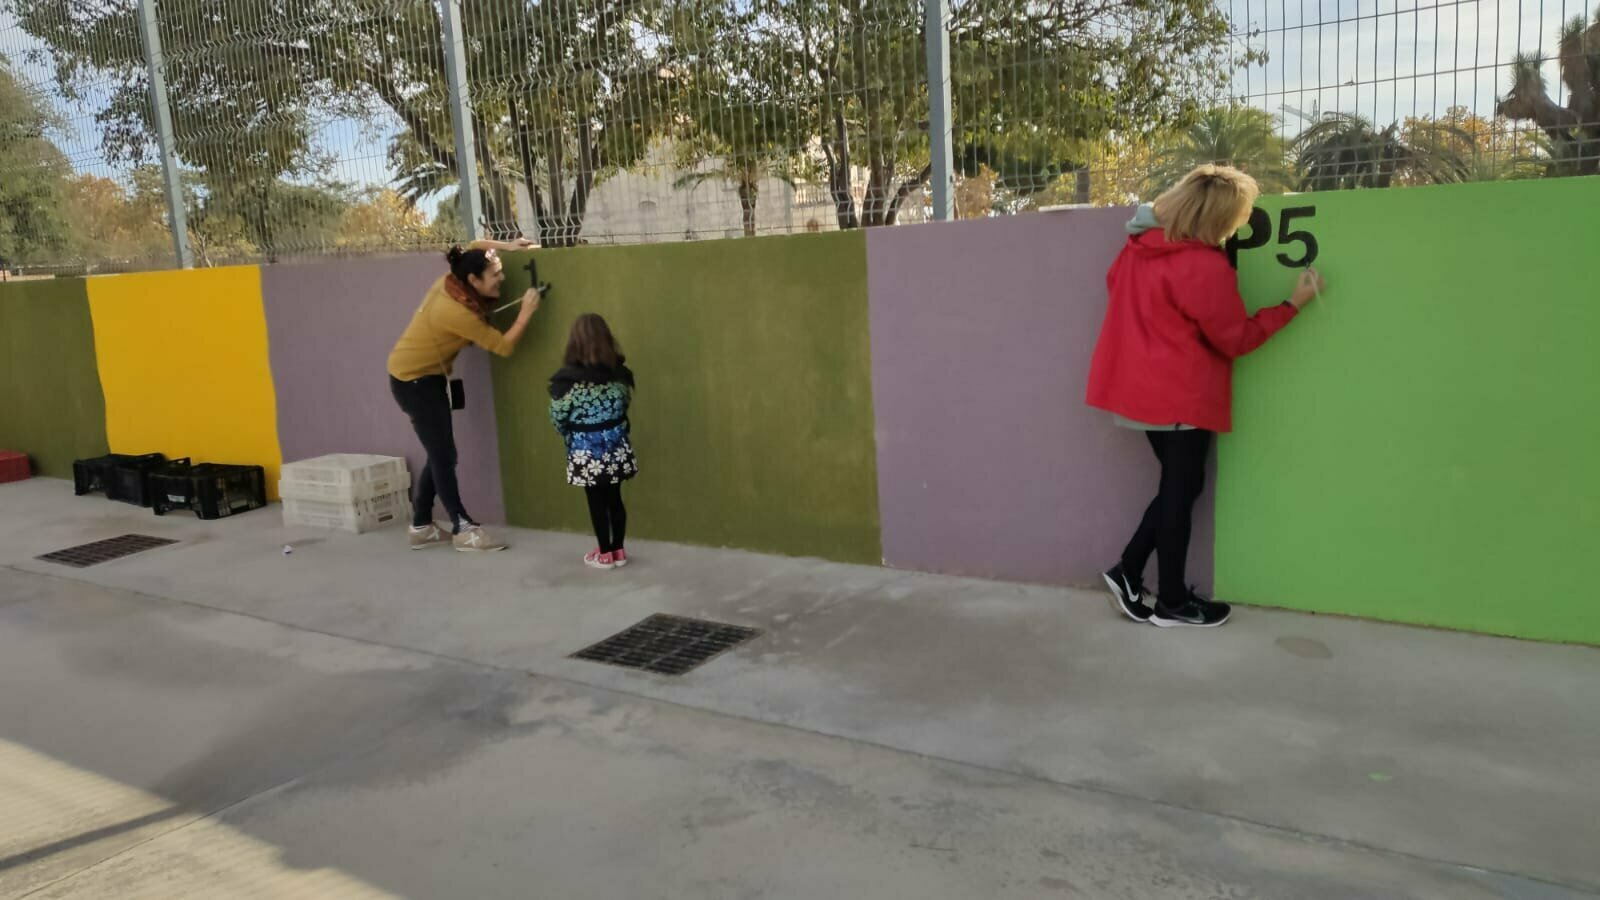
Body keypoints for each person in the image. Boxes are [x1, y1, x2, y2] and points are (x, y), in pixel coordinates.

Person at [1086, 165, 1325, 628]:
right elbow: (1236, 339)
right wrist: (1293, 305)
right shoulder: (1203, 265)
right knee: (1180, 491)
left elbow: (1115, 287)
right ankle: (1171, 601)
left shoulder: (1137, 248)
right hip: (1180, 395)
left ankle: (1129, 573)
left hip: (1137, 390)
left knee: (1181, 486)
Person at [388, 239, 543, 552]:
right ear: (473, 280)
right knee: (444, 456)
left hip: (423, 378)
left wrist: (508, 247)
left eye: (500, 271)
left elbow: (473, 244)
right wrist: (526, 312)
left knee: (441, 454)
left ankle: (421, 526)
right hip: (415, 383)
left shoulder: (454, 279)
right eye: (495, 274)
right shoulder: (458, 313)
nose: (502, 278)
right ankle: (463, 528)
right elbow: (503, 346)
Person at [549, 314, 637, 570]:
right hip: (616, 447)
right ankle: (619, 550)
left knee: (596, 501)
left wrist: (572, 434)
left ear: (574, 343)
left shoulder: (567, 383)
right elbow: (624, 406)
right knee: (615, 498)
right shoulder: (619, 376)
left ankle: (604, 554)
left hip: (586, 451)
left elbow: (557, 417)